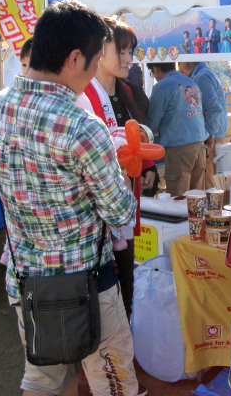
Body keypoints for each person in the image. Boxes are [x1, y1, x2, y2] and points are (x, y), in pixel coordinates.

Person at [0, 0, 141, 396]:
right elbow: (120, 209)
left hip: (27, 281)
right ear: (74, 58)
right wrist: (120, 169)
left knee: (45, 380)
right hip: (87, 285)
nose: (92, 73)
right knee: (114, 384)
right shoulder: (81, 126)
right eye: (92, 62)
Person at [82, 17, 155, 324]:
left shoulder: (129, 91)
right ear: (100, 50)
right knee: (107, 272)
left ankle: (126, 326)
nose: (128, 58)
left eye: (131, 51)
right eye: (121, 51)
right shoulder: (84, 95)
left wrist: (149, 165)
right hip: (100, 206)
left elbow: (141, 133)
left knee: (127, 266)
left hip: (129, 191)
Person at [147, 62, 207, 196]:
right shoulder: (190, 82)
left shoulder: (162, 86)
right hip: (200, 146)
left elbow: (152, 121)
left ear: (156, 69)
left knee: (178, 199)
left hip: (179, 149)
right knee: (197, 200)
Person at [178, 62, 228, 189]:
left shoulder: (201, 77)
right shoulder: (204, 73)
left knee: (209, 184)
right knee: (213, 182)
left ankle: (213, 208)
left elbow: (214, 108)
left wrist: (210, 134)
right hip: (215, 133)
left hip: (213, 135)